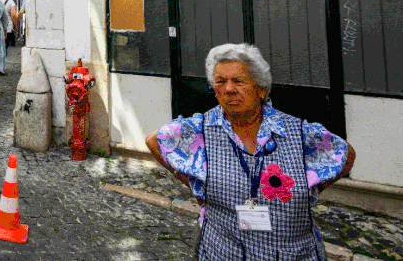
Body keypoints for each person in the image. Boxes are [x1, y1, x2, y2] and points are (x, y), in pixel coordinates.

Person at [145, 43, 355, 261]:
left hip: (291, 254)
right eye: (220, 81)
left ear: (261, 88)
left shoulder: (296, 132)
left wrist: (311, 188)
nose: (228, 89)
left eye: (238, 81)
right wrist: (195, 184)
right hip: (222, 252)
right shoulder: (201, 130)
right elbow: (155, 141)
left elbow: (346, 154)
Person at [0, 0, 18, 75]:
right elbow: (13, 14)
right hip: (8, 27)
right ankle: (1, 67)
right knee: (4, 47)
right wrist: (16, 24)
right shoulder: (10, 1)